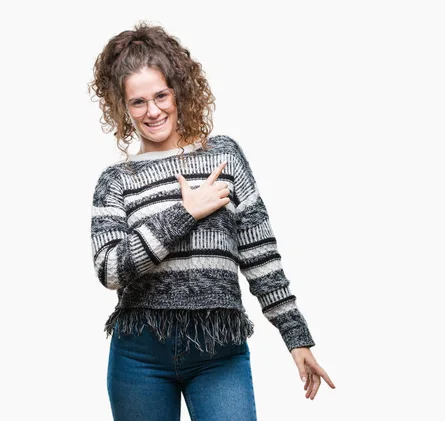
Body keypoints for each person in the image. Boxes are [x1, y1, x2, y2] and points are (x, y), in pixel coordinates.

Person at [88, 21, 335, 421]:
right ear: (121, 106)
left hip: (218, 353)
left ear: (178, 92)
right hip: (139, 356)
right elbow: (110, 269)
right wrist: (185, 213)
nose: (153, 111)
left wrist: (296, 337)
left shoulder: (223, 157)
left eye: (161, 95)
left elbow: (260, 254)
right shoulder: (115, 181)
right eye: (138, 102)